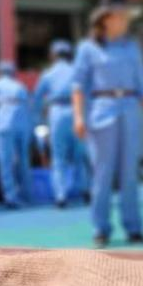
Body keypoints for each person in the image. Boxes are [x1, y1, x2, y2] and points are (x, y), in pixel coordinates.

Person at [72, 0, 143, 248]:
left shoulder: (132, 47)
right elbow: (78, 85)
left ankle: (134, 228)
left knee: (130, 173)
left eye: (126, 16)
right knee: (102, 174)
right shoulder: (88, 49)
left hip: (129, 109)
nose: (124, 21)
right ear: (105, 19)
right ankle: (101, 229)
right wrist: (79, 117)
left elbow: (142, 84)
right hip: (102, 111)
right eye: (120, 16)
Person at [34, 39, 90, 207]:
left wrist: (39, 117)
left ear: (53, 55)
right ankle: (85, 190)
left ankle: (61, 196)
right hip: (76, 110)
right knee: (80, 154)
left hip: (57, 111)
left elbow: (37, 97)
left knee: (58, 156)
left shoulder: (48, 73)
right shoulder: (76, 71)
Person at [0, 60, 35, 208]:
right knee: (24, 160)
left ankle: (11, 197)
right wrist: (31, 130)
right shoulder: (20, 86)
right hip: (23, 125)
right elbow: (30, 108)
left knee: (5, 162)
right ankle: (27, 195)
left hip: (5, 125)